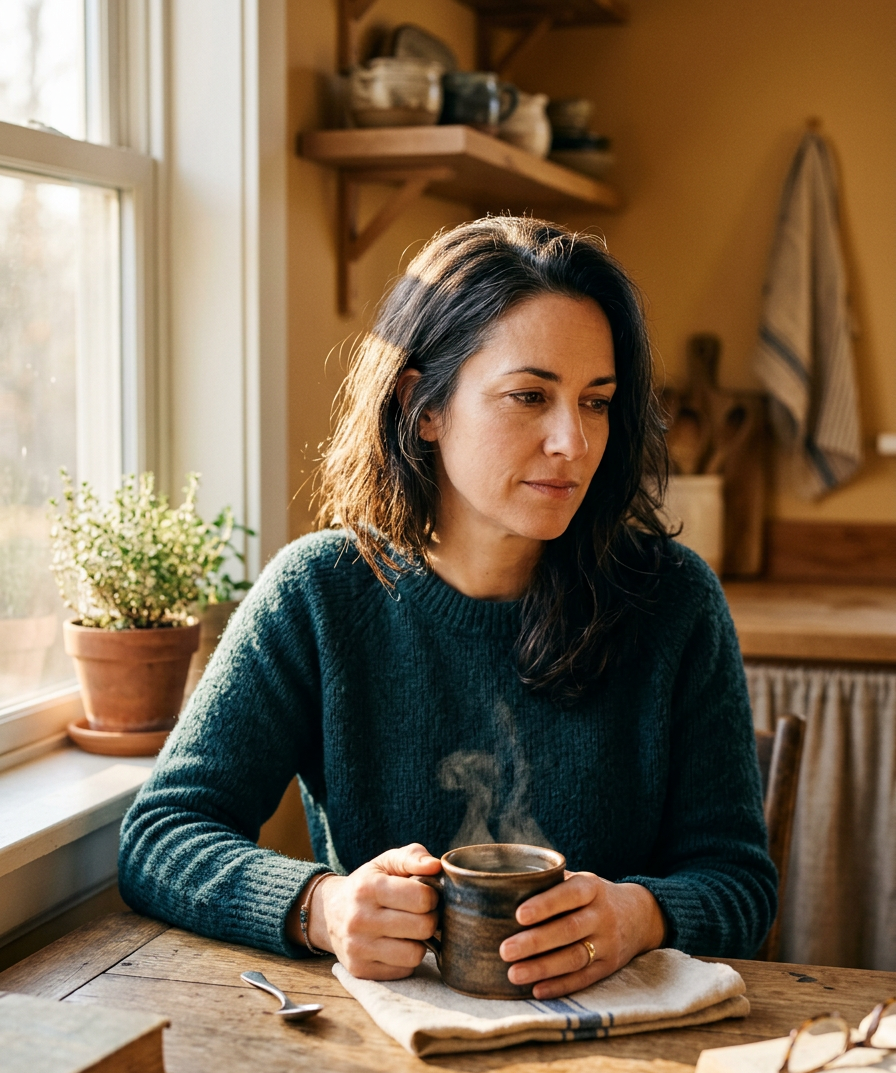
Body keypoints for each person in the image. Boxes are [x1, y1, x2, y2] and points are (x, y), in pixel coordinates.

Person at [119, 217, 776, 1001]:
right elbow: (160, 836)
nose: (573, 441)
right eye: (529, 396)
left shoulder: (674, 602)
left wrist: (641, 914)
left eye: (596, 402)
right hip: (393, 1068)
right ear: (424, 406)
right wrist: (321, 908)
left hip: (630, 1055)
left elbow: (739, 881)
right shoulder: (318, 595)